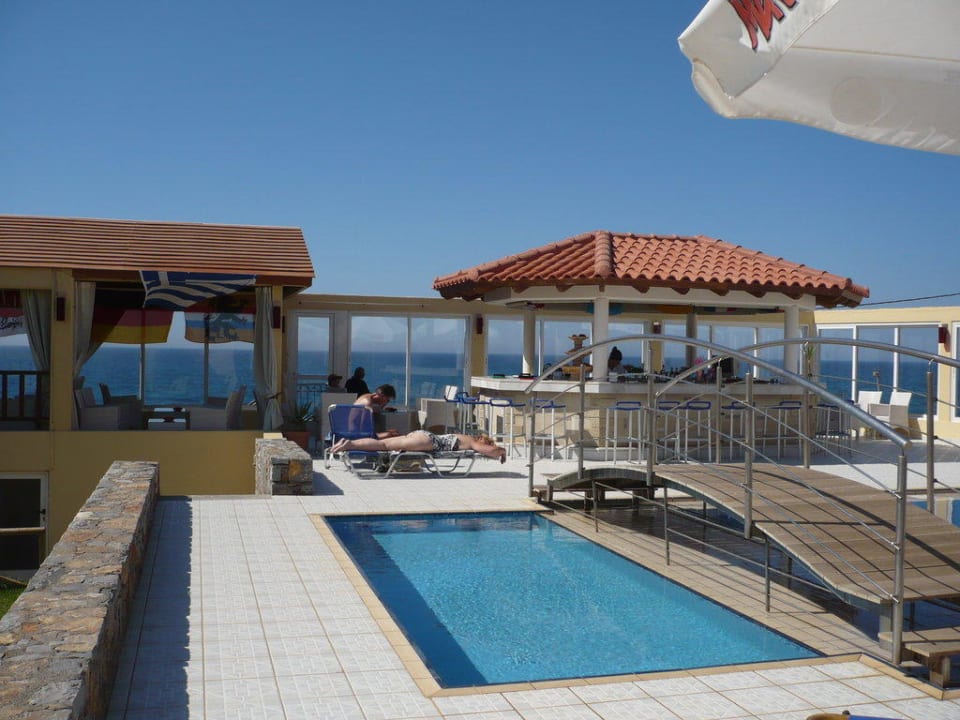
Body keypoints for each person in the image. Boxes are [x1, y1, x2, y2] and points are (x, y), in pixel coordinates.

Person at [330, 430, 507, 463]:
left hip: (423, 436)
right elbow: (490, 451)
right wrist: (502, 451)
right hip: (428, 441)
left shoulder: (465, 437)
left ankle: (349, 443)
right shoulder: (473, 441)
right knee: (383, 445)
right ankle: (349, 444)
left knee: (384, 444)